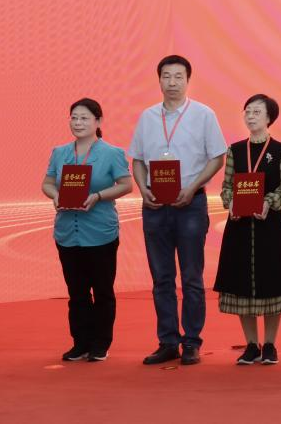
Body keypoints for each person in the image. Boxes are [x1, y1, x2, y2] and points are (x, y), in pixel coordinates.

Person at [129, 55, 227, 365]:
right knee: (161, 278)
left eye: (178, 77)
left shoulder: (204, 115)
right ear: (159, 80)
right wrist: (143, 188)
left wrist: (193, 185)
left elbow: (217, 157)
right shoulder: (147, 117)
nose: (172, 82)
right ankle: (167, 341)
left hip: (190, 204)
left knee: (191, 277)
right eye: (167, 76)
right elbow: (138, 160)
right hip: (155, 206)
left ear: (188, 80)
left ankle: (192, 342)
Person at [42, 98, 133, 362]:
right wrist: (55, 196)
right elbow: (47, 183)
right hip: (67, 232)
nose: (78, 123)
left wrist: (98, 196)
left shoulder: (112, 153)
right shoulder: (59, 152)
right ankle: (80, 342)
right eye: (74, 118)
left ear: (98, 121)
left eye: (84, 118)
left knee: (102, 290)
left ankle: (100, 343)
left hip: (100, 232)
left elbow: (126, 185)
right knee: (77, 292)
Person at [213, 94, 281, 366]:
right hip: (239, 227)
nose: (250, 116)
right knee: (241, 285)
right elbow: (226, 186)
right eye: (247, 111)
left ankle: (269, 344)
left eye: (257, 112)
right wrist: (231, 202)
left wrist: (268, 202)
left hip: (269, 226)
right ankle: (251, 344)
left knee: (272, 283)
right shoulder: (235, 150)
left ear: (269, 117)